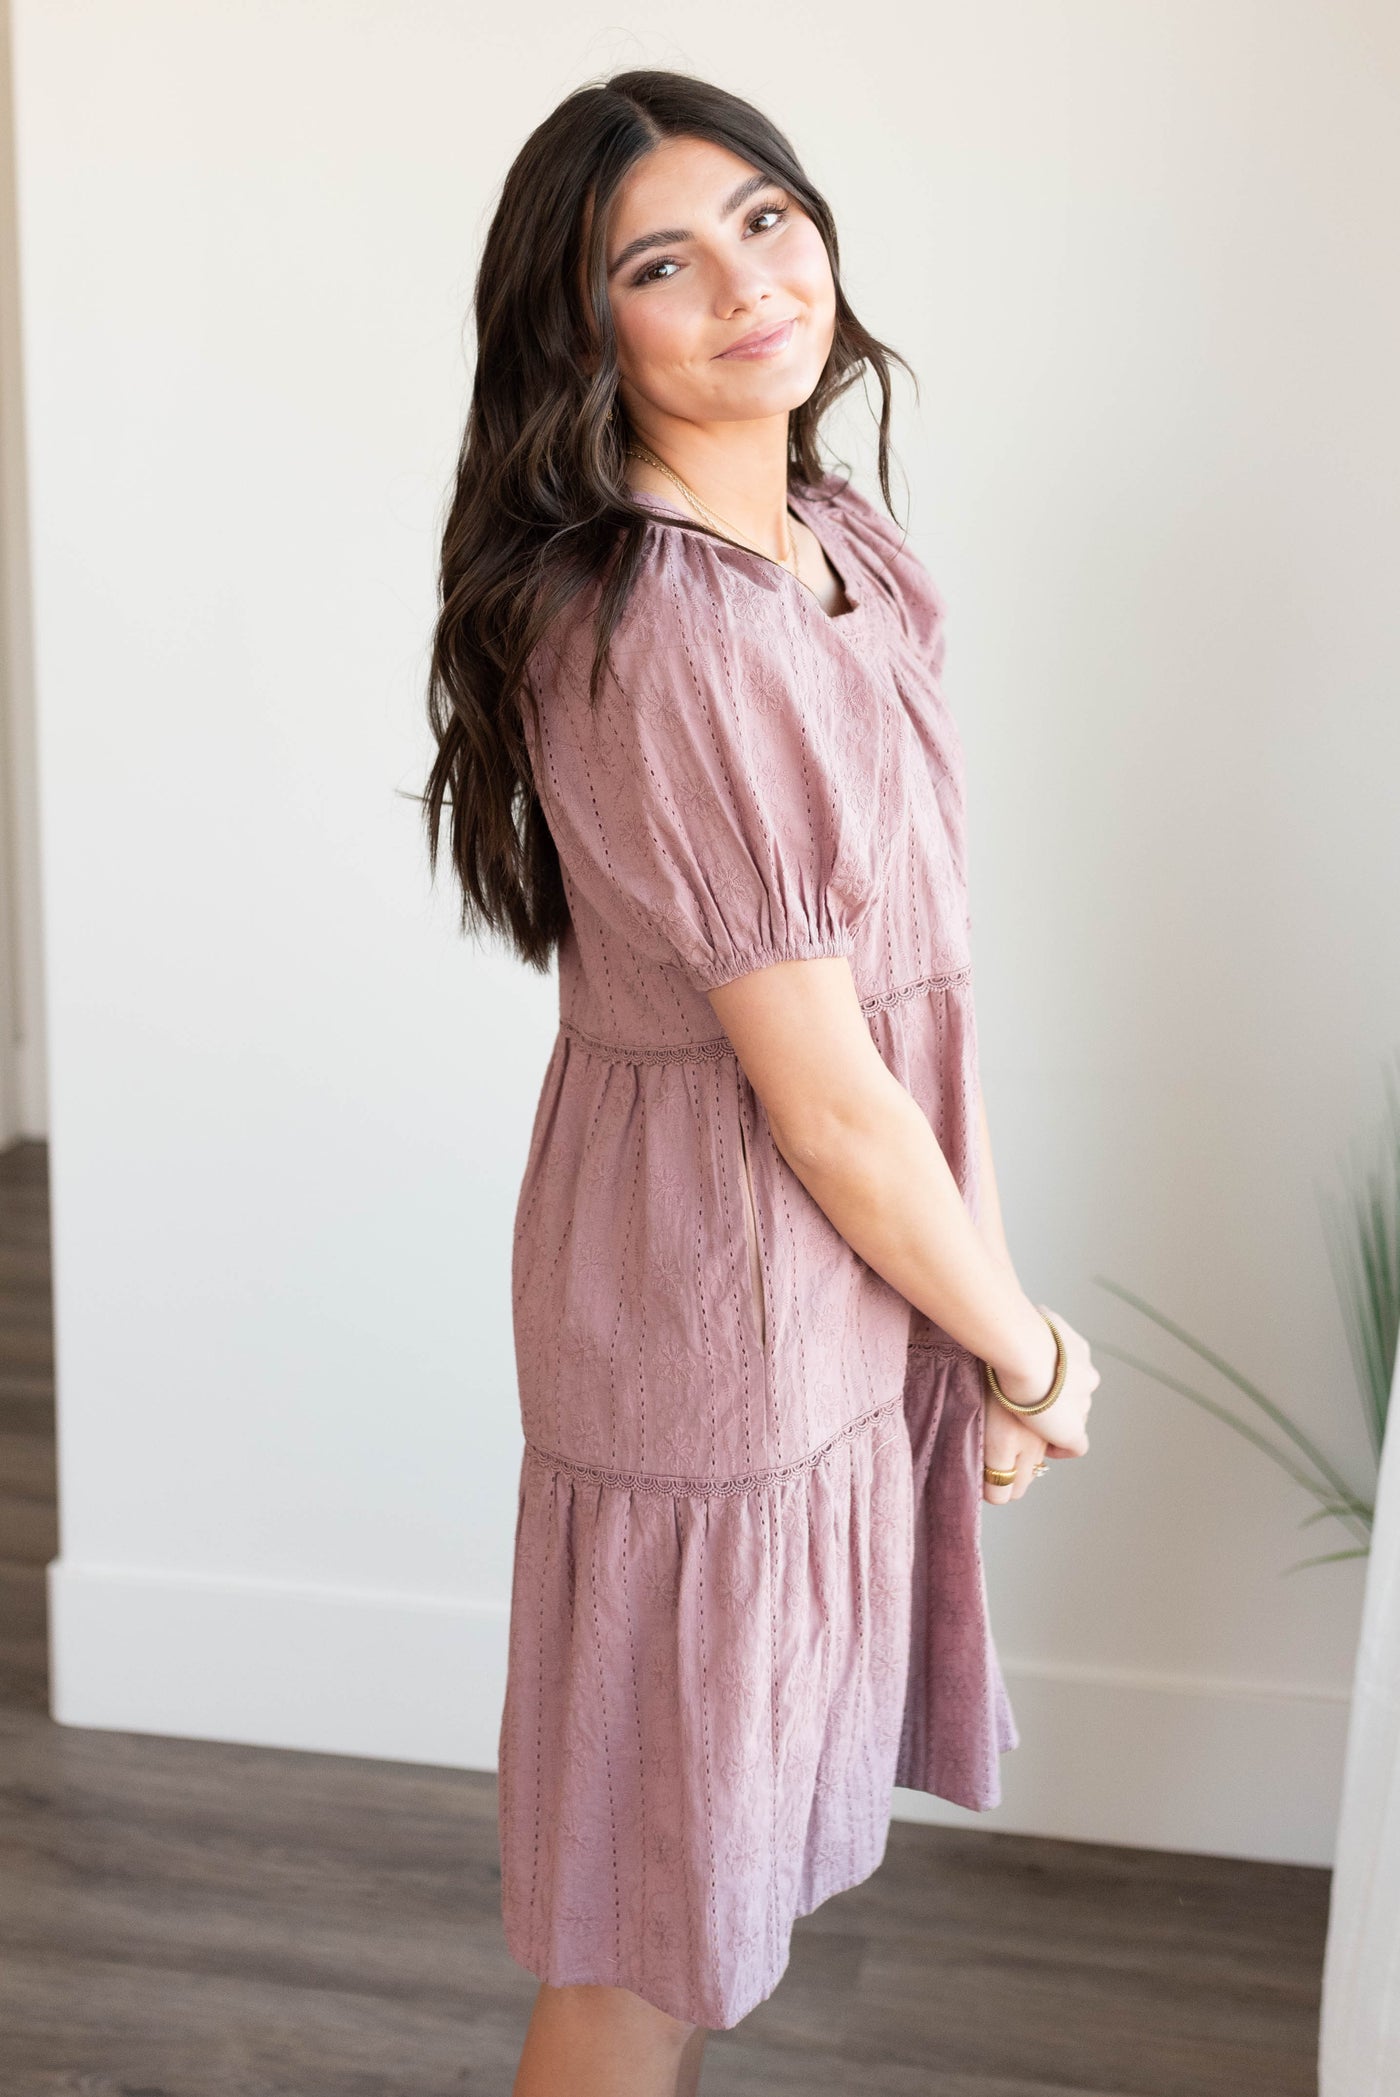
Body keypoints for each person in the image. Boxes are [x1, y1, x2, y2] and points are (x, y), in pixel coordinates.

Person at [424, 66, 1099, 2097]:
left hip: (836, 1257)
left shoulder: (836, 544)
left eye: (766, 219)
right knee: (653, 1915)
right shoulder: (660, 632)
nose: (743, 281)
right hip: (716, 1283)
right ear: (584, 328)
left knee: (717, 1872)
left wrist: (969, 1315)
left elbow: (906, 1024)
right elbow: (819, 1097)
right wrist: (1031, 1346)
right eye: (660, 260)